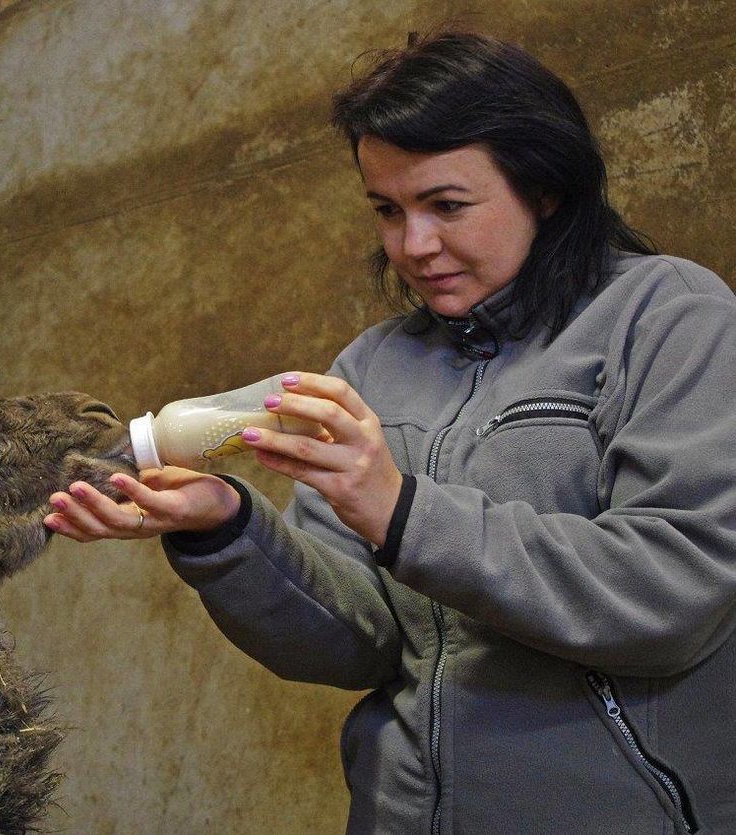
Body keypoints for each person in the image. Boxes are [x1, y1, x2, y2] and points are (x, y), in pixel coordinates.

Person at [44, 31, 736, 835]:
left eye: (447, 205)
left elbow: (672, 593)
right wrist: (227, 530)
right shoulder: (375, 366)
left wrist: (403, 512)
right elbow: (355, 645)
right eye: (387, 209)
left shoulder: (669, 317)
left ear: (544, 188)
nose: (414, 245)